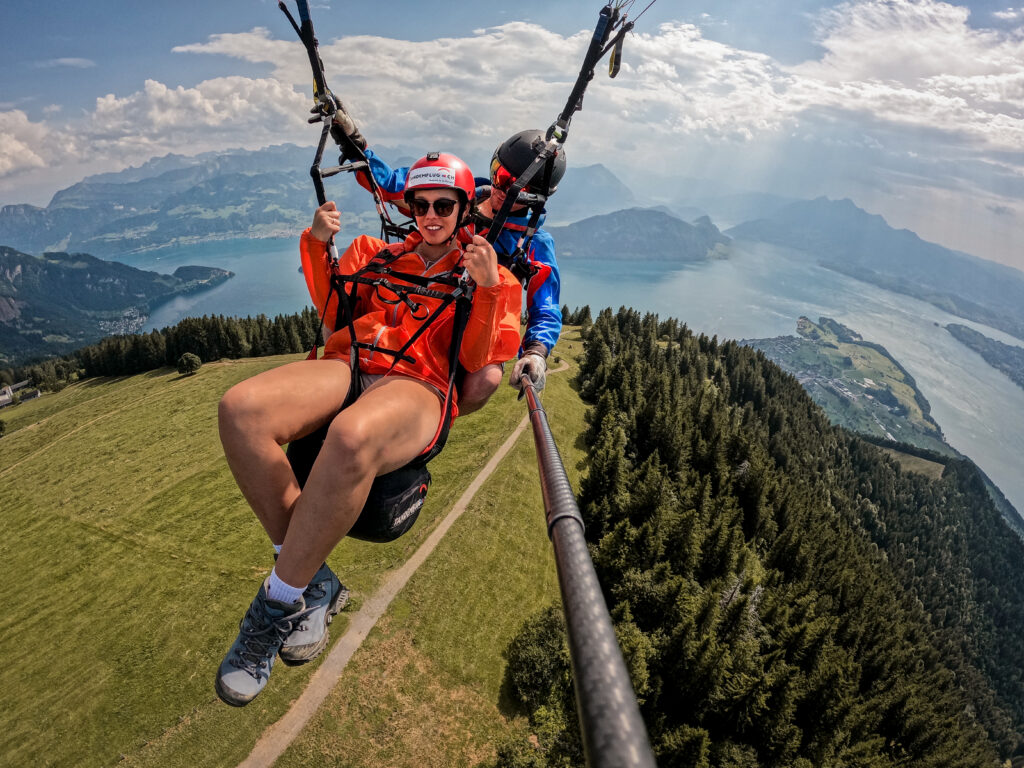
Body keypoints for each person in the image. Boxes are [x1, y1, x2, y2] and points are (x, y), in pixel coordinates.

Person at [214, 152, 522, 707]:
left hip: (421, 384)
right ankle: (312, 579)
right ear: (408, 205)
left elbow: (476, 363)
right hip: (353, 363)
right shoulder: (372, 255)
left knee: (352, 434)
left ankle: (277, 604)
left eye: (443, 205)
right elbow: (333, 316)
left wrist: (486, 289)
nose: (430, 215)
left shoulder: (491, 274)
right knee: (240, 409)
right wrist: (315, 244)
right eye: (420, 204)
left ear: (461, 209)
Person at [336, 113, 563, 414]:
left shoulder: (533, 244)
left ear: (535, 197)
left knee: (488, 377)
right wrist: (357, 146)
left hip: (477, 321)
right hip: (427, 298)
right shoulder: (463, 193)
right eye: (498, 172)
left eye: (511, 185)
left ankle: (441, 413)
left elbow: (544, 306)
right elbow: (395, 187)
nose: (498, 185)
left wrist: (536, 352)